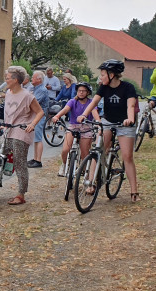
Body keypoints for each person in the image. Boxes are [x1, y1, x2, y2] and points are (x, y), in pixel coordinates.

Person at [0, 65, 44, 205]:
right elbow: (10, 113)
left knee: (20, 164)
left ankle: (21, 194)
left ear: (15, 80)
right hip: (8, 131)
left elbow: (40, 112)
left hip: (21, 132)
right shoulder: (8, 93)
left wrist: (32, 124)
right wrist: (5, 124)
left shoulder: (27, 96)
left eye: (7, 78)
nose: (5, 80)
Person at [77, 59, 139, 202]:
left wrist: (130, 119)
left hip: (124, 123)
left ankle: (134, 191)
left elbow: (131, 106)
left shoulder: (128, 87)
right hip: (108, 121)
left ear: (112, 74)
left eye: (103, 74)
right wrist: (83, 114)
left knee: (127, 156)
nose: (101, 77)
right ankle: (91, 183)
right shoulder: (103, 87)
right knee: (98, 150)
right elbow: (93, 103)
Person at [52, 82, 100, 176]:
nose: (81, 93)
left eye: (83, 91)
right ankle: (64, 164)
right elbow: (65, 109)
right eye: (79, 91)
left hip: (86, 128)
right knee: (66, 149)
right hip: (73, 126)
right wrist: (57, 116)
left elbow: (94, 112)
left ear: (88, 92)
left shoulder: (91, 102)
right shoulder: (73, 101)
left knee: (85, 152)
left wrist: (98, 121)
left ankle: (85, 170)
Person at [27, 71, 50, 168]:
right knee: (36, 138)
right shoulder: (36, 88)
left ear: (39, 79)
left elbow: (34, 102)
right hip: (36, 115)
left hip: (40, 115)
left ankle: (38, 160)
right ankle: (35, 158)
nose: (32, 79)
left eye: (33, 77)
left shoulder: (42, 90)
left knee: (38, 138)